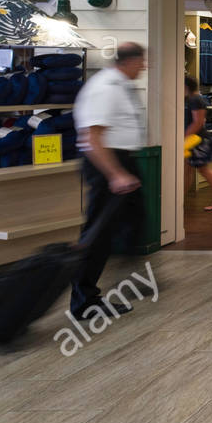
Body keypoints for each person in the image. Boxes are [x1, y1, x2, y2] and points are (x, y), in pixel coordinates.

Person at [70, 42, 146, 320]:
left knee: (134, 221)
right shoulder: (104, 87)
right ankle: (84, 300)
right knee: (98, 234)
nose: (144, 67)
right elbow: (91, 137)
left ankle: (132, 276)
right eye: (142, 62)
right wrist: (115, 174)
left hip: (123, 161)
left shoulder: (121, 85)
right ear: (130, 61)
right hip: (107, 164)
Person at [184, 75, 212, 211]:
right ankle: (179, 199)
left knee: (203, 169)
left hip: (198, 140)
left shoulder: (195, 99)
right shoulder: (190, 99)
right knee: (188, 170)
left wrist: (184, 138)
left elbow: (198, 122)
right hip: (193, 140)